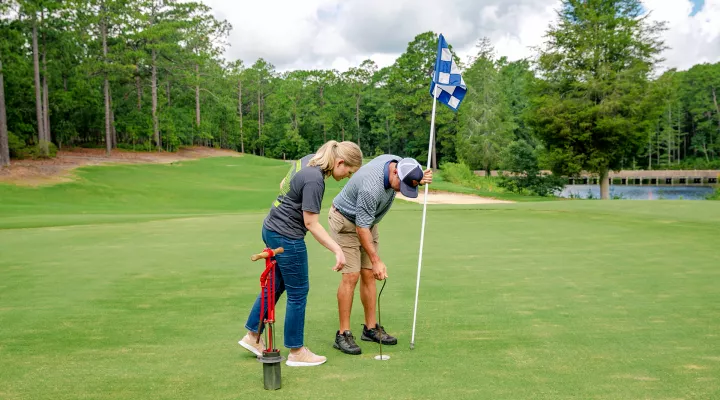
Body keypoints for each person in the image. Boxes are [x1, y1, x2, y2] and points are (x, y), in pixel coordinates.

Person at [238, 141, 362, 366]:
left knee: (275, 285)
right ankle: (296, 352)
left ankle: (252, 336)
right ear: (340, 162)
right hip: (287, 237)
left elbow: (283, 183)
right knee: (298, 291)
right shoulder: (315, 180)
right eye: (348, 171)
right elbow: (311, 223)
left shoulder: (308, 159)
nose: (347, 176)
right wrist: (338, 250)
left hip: (271, 227)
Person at [328, 155, 432, 355]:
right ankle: (342, 333)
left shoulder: (399, 164)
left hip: (367, 221)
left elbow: (367, 224)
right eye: (402, 185)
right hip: (346, 220)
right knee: (352, 275)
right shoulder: (371, 188)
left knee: (369, 274)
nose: (402, 190)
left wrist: (419, 178)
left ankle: (370, 328)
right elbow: (361, 228)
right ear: (394, 172)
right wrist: (376, 260)